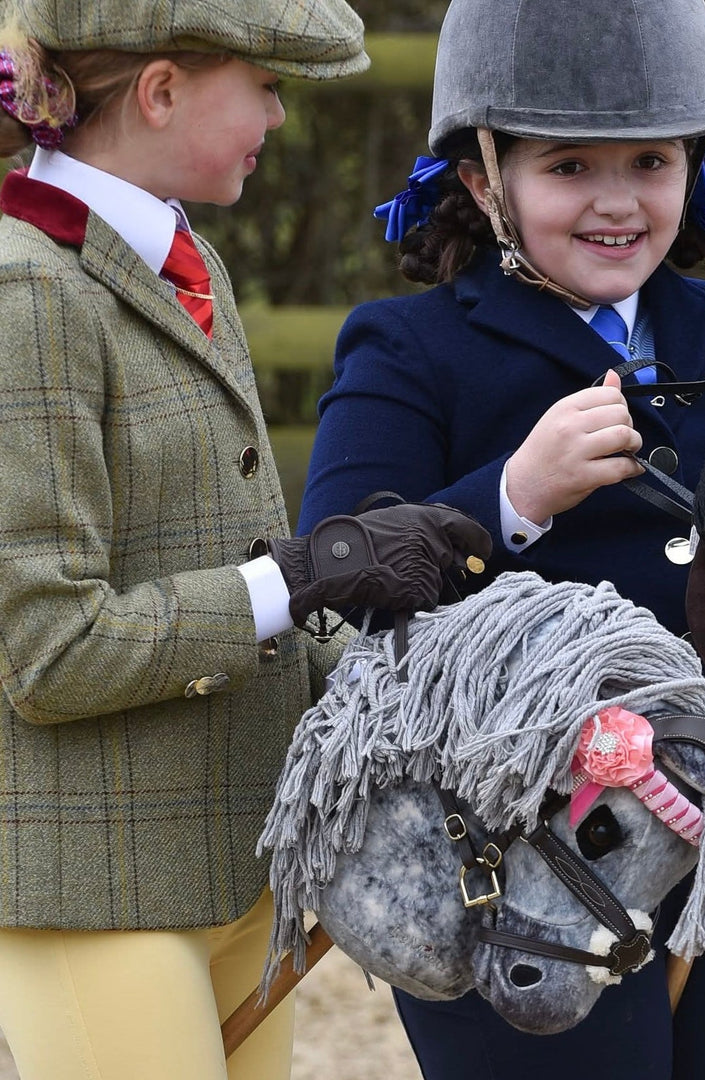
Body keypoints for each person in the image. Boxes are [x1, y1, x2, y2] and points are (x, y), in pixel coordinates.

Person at [298, 0, 705, 1076]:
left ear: (696, 161)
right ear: (480, 178)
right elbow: (338, 573)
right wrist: (513, 495)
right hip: (518, 874)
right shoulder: (411, 347)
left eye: (649, 159)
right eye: (567, 167)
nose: (615, 201)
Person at [0, 3, 490, 1079]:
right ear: (162, 91)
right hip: (96, 893)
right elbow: (46, 652)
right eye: (263, 85)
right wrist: (305, 573)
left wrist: (407, 684)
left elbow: (225, 557)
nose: (279, 112)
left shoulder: (187, 257)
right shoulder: (26, 291)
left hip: (244, 864)